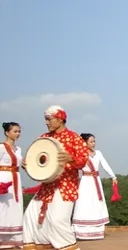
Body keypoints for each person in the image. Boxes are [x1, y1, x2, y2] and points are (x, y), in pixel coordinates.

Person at [22, 105, 89, 250]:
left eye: (49, 119)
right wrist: (29, 164)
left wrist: (71, 158)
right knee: (30, 217)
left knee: (57, 220)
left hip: (66, 185)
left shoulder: (74, 138)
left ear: (60, 119)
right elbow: (37, 159)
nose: (46, 123)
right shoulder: (44, 138)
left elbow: (83, 159)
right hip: (47, 186)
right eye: (45, 120)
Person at [72, 133, 118, 241]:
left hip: (96, 181)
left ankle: (97, 231)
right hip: (85, 182)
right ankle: (81, 232)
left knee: (96, 203)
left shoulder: (98, 153)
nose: (93, 144)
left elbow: (105, 165)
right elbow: (75, 168)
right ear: (85, 143)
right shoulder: (81, 155)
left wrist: (113, 176)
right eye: (91, 142)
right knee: (84, 203)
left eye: (94, 141)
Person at [0, 122, 23, 249]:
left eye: (19, 131)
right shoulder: (1, 147)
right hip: (4, 179)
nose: (18, 134)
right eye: (15, 131)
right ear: (7, 132)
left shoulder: (18, 149)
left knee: (15, 206)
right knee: (3, 207)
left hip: (16, 179)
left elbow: (22, 164)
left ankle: (14, 238)